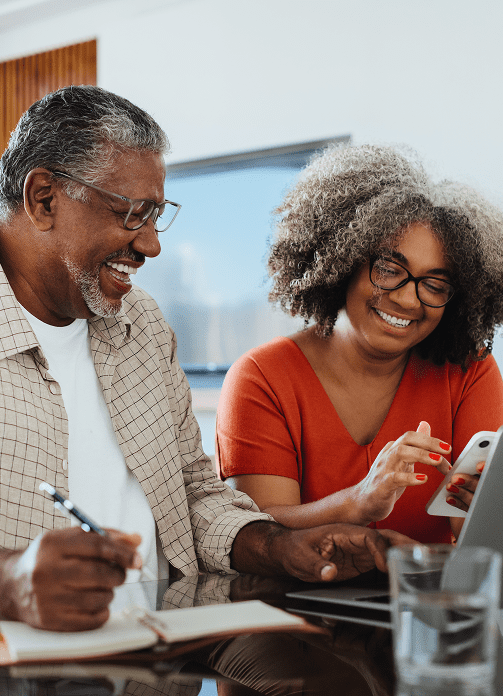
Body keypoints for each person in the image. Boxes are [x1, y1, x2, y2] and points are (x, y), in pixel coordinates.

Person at [0, 87, 411, 633]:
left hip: (163, 659)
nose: (151, 246)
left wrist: (279, 546)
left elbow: (193, 494)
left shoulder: (142, 323)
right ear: (44, 198)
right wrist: (10, 585)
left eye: (156, 216)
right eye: (132, 215)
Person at [216, 143, 503, 545]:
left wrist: (487, 513)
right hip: (291, 604)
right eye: (389, 269)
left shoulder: (469, 371)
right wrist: (359, 501)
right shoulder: (263, 377)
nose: (407, 299)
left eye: (435, 285)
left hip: (422, 600)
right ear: (342, 260)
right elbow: (255, 537)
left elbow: (475, 541)